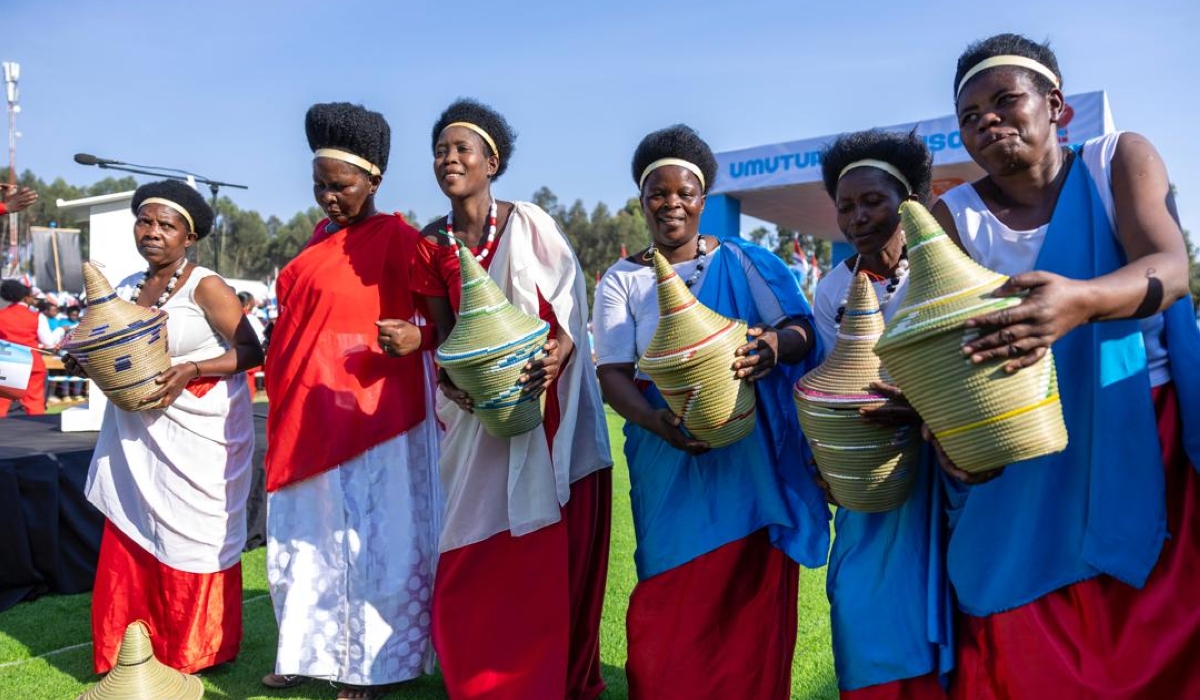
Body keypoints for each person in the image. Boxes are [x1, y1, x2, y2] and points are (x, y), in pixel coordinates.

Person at [929, 33, 1200, 698]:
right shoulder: (954, 214)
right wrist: (948, 441)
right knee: (1026, 639)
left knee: (1159, 627)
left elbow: (1170, 268)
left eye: (1004, 101)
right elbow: (939, 348)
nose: (987, 121)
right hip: (1021, 448)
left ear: (1057, 106)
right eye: (969, 117)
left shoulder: (1118, 160)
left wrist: (1080, 302)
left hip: (1138, 435)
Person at [592, 124, 829, 700]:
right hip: (665, 454)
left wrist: (772, 348)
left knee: (746, 592)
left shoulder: (745, 262)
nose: (671, 204)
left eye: (684, 193)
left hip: (747, 460)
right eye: (657, 192)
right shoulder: (624, 280)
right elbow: (612, 374)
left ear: (702, 200)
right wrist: (655, 424)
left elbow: (800, 328)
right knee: (673, 590)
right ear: (642, 200)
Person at [411, 98, 612, 700]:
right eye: (441, 151)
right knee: (466, 546)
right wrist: (452, 384)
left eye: (461, 149)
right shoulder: (430, 242)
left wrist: (564, 349)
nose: (449, 159)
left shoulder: (529, 222)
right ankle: (479, 676)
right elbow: (443, 338)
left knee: (541, 551)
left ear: (490, 161)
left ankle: (544, 675)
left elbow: (570, 301)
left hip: (545, 407)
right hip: (476, 418)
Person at [264, 102, 442, 700]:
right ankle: (303, 648)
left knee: (375, 544)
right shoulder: (317, 240)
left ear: (374, 180)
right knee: (309, 538)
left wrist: (420, 337)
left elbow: (445, 320)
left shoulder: (402, 239)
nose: (328, 197)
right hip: (308, 412)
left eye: (339, 186)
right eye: (319, 186)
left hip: (377, 419)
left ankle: (373, 666)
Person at [71, 179, 263, 674]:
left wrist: (192, 370)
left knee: (193, 536)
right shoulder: (133, 283)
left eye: (166, 224)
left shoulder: (207, 284)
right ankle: (129, 643)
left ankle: (192, 648)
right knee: (134, 530)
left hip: (199, 431)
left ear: (189, 236)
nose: (153, 231)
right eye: (145, 221)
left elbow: (251, 350)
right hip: (139, 434)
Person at [813, 130, 953, 698]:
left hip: (946, 466)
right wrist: (825, 457)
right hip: (870, 474)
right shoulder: (831, 288)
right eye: (845, 206)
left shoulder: (942, 267)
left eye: (872, 201)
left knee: (951, 604)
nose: (856, 217)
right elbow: (829, 380)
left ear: (907, 202)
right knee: (859, 602)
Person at [0, 279, 56, 416]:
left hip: (7, 364)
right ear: (25, 297)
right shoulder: (37, 317)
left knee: (1, 403)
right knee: (35, 403)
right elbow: (49, 342)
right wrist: (60, 331)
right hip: (32, 364)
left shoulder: (1, 315)